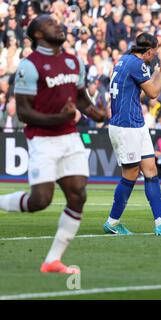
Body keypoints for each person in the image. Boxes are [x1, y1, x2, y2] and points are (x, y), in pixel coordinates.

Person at [0, 15, 105, 274]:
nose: (58, 25)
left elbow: (81, 99)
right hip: (42, 139)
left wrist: (96, 113)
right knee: (40, 201)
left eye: (58, 23)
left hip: (69, 136)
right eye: (50, 24)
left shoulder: (73, 61)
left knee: (78, 194)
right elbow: (23, 112)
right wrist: (57, 118)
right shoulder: (29, 66)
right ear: (37, 34)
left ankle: (52, 261)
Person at [103, 32, 161, 236]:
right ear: (148, 51)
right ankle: (112, 222)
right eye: (153, 54)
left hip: (136, 124)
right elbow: (153, 94)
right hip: (126, 125)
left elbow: (140, 91)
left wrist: (157, 73)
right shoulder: (136, 64)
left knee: (151, 170)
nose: (154, 57)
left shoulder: (124, 60)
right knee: (130, 174)